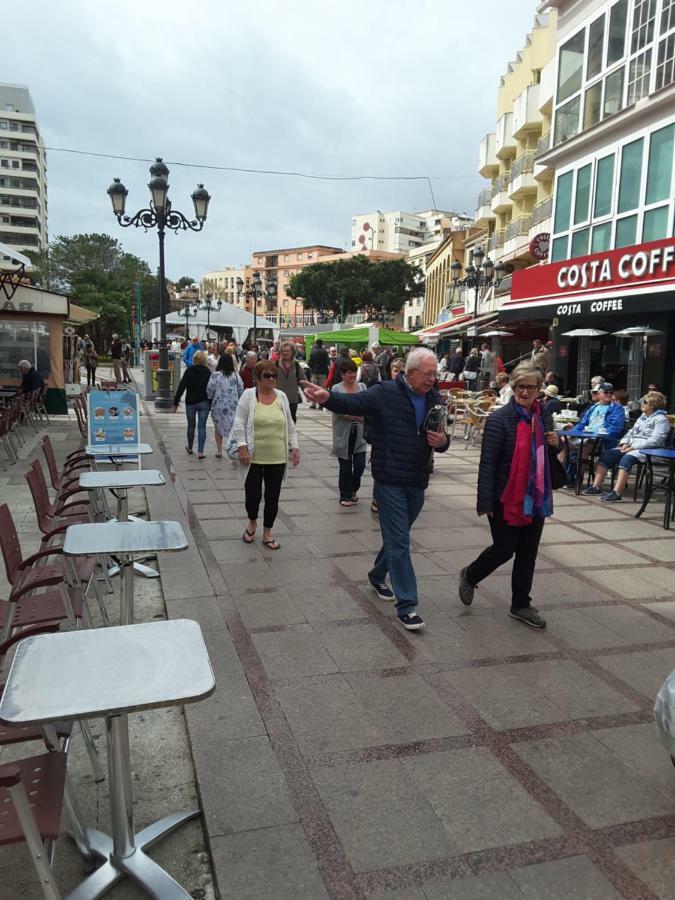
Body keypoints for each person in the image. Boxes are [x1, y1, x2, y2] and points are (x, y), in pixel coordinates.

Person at [302, 347, 450, 632]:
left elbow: (444, 437)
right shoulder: (385, 392)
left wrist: (442, 442)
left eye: (435, 373)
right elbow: (355, 402)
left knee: (399, 536)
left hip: (418, 478)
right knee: (399, 541)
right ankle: (407, 605)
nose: (433, 378)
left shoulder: (434, 398)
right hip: (389, 479)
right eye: (428, 373)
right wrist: (327, 397)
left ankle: (376, 574)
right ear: (411, 372)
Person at [458, 364, 558, 629]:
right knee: (504, 548)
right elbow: (487, 464)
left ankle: (520, 604)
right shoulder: (499, 420)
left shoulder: (543, 415)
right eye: (519, 386)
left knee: (528, 552)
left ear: (539, 390)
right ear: (512, 388)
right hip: (505, 496)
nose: (525, 392)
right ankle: (471, 574)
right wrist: (485, 501)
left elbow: (547, 459)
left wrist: (556, 443)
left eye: (531, 387)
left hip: (535, 495)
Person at [231, 360, 300, 550]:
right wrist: (242, 447)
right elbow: (238, 423)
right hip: (253, 456)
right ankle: (252, 522)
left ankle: (267, 532)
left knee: (272, 496)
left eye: (274, 376)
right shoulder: (248, 395)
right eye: (267, 376)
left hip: (277, 457)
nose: (271, 379)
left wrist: (294, 447)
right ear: (257, 379)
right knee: (252, 496)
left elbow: (290, 425)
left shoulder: (282, 397)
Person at [584, 391, 670, 501]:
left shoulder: (661, 420)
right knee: (608, 454)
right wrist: (625, 443)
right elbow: (631, 432)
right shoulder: (642, 417)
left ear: (653, 405)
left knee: (626, 459)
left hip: (649, 450)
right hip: (631, 446)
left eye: (644, 402)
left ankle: (617, 492)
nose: (641, 404)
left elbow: (656, 440)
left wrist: (634, 447)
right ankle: (596, 486)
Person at [331, 359, 367, 506]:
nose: (352, 375)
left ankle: (353, 489)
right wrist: (352, 415)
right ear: (343, 374)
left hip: (360, 435)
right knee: (345, 467)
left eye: (354, 372)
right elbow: (336, 408)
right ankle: (345, 495)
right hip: (343, 434)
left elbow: (368, 405)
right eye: (349, 372)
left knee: (360, 466)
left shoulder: (362, 387)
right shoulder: (336, 389)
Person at [173, 349, 211, 459]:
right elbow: (212, 388)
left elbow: (181, 386)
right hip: (204, 402)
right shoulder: (207, 372)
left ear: (194, 359)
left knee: (191, 426)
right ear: (204, 360)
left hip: (190, 403)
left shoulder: (189, 370)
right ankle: (200, 452)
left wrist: (175, 402)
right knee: (202, 427)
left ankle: (190, 447)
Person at [207, 353, 244, 459]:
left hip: (218, 405)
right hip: (233, 405)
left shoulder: (215, 375)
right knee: (233, 427)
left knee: (218, 428)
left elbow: (210, 390)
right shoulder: (236, 376)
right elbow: (241, 389)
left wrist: (210, 397)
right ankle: (234, 448)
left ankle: (219, 450)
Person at [275, 341, 304, 423]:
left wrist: (306, 392)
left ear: (292, 352)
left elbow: (302, 380)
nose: (285, 353)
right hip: (278, 398)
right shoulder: (276, 364)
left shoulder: (297, 365)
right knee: (278, 421)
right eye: (283, 351)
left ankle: (290, 436)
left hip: (292, 399)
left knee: (291, 420)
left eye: (287, 351)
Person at [308, 338, 330, 408]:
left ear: (316, 343)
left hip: (314, 372)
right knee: (322, 389)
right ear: (322, 344)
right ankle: (321, 404)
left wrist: (312, 367)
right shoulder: (325, 352)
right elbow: (328, 362)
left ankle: (313, 404)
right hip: (323, 372)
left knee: (314, 388)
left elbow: (309, 362)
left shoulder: (313, 351)